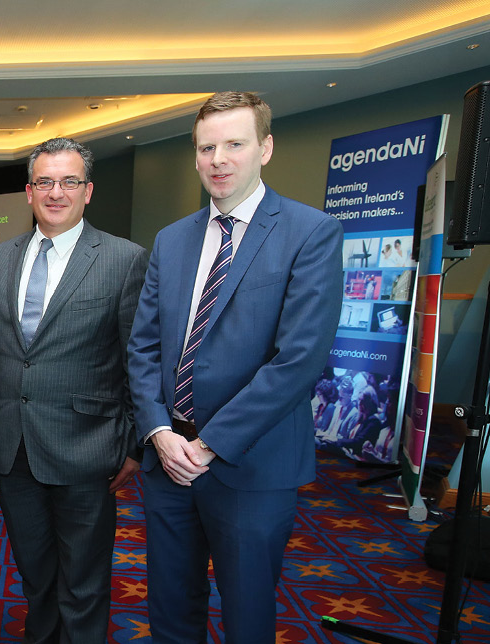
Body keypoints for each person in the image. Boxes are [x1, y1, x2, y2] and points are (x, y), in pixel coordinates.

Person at [127, 91, 343, 643]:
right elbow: (144, 347)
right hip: (167, 460)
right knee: (170, 610)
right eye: (207, 147)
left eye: (234, 144)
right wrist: (157, 432)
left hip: (251, 466)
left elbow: (298, 361)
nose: (218, 159)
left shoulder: (310, 232)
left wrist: (209, 444)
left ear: (265, 149)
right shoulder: (172, 240)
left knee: (247, 614)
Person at [0, 137, 147, 643]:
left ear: (88, 190)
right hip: (13, 448)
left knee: (83, 584)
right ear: (29, 192)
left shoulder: (124, 259)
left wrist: (136, 444)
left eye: (69, 181)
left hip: (87, 447)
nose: (57, 192)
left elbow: (138, 358)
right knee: (36, 577)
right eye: (45, 182)